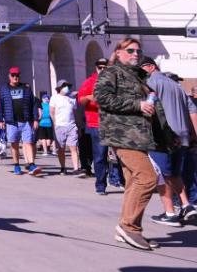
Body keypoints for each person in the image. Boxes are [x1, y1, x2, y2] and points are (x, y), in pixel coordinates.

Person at [95, 37, 161, 250]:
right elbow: (102, 98)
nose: (135, 54)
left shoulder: (139, 76)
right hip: (122, 135)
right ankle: (129, 227)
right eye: (130, 50)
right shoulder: (111, 72)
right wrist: (137, 103)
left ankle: (130, 229)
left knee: (134, 181)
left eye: (138, 52)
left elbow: (148, 107)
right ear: (118, 52)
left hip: (139, 135)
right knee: (148, 178)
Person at [139, 56, 196, 226]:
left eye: (140, 70)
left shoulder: (151, 82)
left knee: (161, 175)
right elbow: (191, 111)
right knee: (174, 173)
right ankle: (186, 205)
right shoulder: (176, 86)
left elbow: (148, 109)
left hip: (163, 136)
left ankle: (170, 213)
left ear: (149, 67)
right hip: (181, 135)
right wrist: (193, 136)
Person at [0, 66, 41, 176]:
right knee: (14, 144)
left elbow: (33, 104)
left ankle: (31, 164)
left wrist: (35, 119)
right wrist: (0, 120)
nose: (15, 77)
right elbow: (1, 106)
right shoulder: (4, 89)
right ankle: (16, 165)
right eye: (13, 75)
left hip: (26, 121)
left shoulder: (26, 88)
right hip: (11, 122)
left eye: (17, 75)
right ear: (9, 76)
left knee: (28, 143)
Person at [79, 57, 111, 195]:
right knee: (100, 156)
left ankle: (123, 182)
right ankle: (101, 185)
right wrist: (89, 98)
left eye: (105, 67)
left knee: (123, 156)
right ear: (96, 67)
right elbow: (80, 100)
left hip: (114, 123)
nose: (102, 69)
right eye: (100, 67)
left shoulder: (113, 81)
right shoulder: (89, 82)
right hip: (96, 123)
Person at [50, 79, 81, 175]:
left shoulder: (71, 99)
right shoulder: (54, 98)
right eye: (64, 86)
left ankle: (76, 168)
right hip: (59, 126)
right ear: (59, 88)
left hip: (71, 126)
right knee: (61, 149)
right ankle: (63, 167)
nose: (66, 87)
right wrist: (55, 124)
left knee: (74, 147)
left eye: (67, 85)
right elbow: (52, 112)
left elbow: (74, 112)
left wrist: (77, 125)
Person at [36, 91, 55, 157]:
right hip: (49, 123)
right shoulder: (50, 105)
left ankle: (45, 151)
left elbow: (40, 115)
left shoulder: (40, 105)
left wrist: (37, 120)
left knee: (43, 138)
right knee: (49, 137)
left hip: (41, 123)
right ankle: (51, 149)